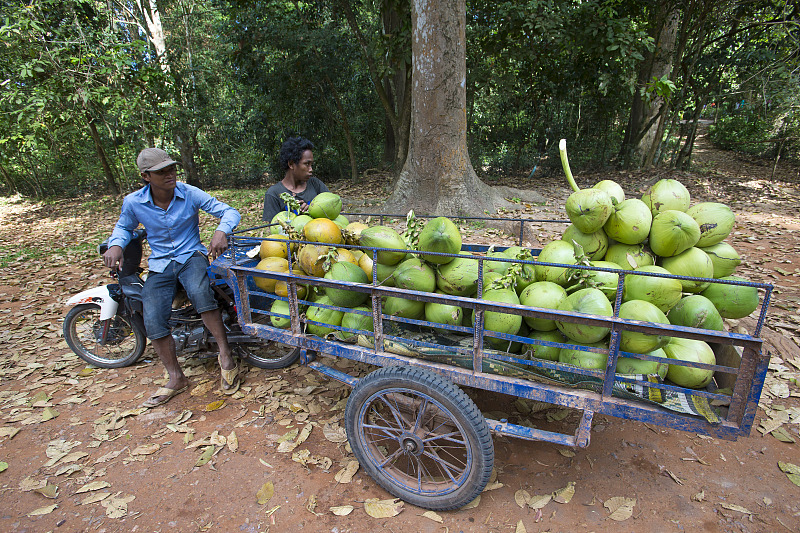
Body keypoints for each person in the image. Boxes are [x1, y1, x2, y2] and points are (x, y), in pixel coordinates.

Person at [103, 148, 242, 408]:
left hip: (192, 256)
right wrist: (116, 245)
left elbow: (229, 211)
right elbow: (123, 227)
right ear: (146, 176)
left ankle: (225, 354)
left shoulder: (188, 192)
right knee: (152, 315)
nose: (170, 175)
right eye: (161, 172)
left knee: (200, 292)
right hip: (160, 264)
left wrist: (221, 230)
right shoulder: (134, 202)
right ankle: (176, 377)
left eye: (171, 169)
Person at [262, 136, 329, 223]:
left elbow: (337, 206)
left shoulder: (315, 184)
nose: (311, 169)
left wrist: (313, 209)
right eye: (307, 164)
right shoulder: (273, 193)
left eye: (311, 164)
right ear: (291, 164)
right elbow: (271, 229)